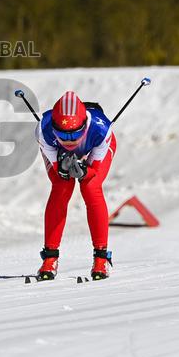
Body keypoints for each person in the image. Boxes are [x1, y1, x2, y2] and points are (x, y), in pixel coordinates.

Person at [35, 91, 117, 280]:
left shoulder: (102, 129)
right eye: (62, 134)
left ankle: (101, 258)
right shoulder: (43, 130)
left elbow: (94, 170)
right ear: (54, 129)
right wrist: (62, 167)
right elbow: (59, 171)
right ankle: (49, 258)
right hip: (56, 152)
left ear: (85, 126)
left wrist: (84, 170)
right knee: (62, 186)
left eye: (75, 133)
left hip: (95, 148)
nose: (69, 140)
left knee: (90, 186)